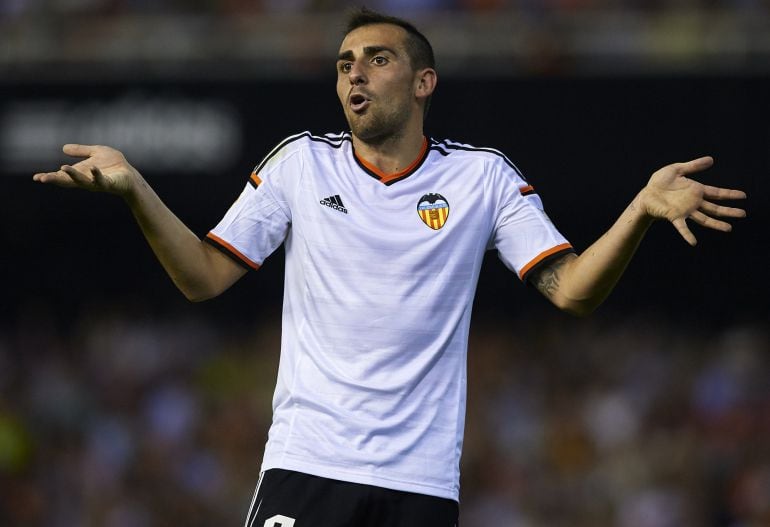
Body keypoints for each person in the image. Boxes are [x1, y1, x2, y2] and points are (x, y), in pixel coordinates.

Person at [33, 8, 746, 527]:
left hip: (420, 483)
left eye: (376, 58)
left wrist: (640, 211)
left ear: (423, 81)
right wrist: (134, 188)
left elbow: (572, 290)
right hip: (307, 464)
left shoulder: (483, 179)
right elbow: (203, 276)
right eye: (344, 63)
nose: (354, 74)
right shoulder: (300, 164)